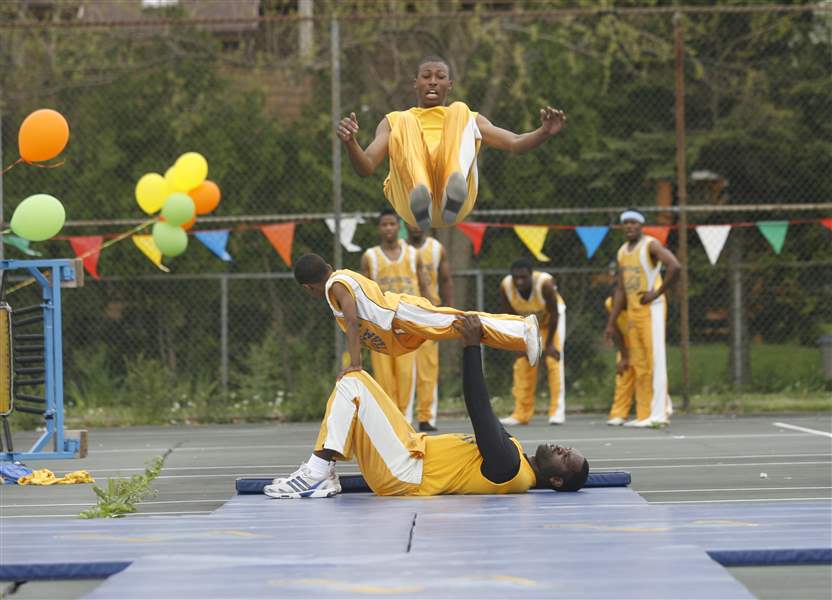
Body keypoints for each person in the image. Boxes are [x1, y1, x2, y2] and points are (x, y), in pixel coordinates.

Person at [265, 315, 589, 499]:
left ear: (556, 481)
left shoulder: (511, 469)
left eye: (565, 458)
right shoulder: (515, 451)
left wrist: (472, 347)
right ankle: (325, 472)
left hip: (405, 471)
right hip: (409, 449)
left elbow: (479, 407)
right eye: (567, 448)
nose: (562, 448)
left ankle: (318, 472)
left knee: (353, 384)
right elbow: (488, 415)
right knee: (356, 378)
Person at [335, 55, 567, 232]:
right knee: (405, 118)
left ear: (450, 84)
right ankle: (420, 190)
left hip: (455, 204)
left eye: (440, 77)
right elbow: (366, 167)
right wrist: (351, 143)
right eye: (426, 77)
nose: (433, 82)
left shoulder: (468, 119)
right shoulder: (393, 121)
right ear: (415, 83)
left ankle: (452, 188)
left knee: (459, 109)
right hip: (410, 202)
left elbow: (515, 143)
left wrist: (543, 132)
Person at [293, 253, 541, 380]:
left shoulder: (336, 285)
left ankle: (523, 329)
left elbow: (351, 322)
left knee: (459, 322)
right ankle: (519, 337)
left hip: (402, 313)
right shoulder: (339, 279)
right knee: (461, 329)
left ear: (308, 287)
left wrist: (355, 363)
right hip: (399, 324)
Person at [604, 210, 680, 427]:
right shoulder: (622, 252)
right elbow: (620, 288)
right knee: (640, 363)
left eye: (633, 222)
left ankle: (660, 413)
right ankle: (645, 413)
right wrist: (611, 322)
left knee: (655, 361)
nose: (629, 226)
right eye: (625, 223)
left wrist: (657, 292)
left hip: (651, 309)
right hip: (634, 312)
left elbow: (675, 266)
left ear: (641, 225)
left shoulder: (651, 245)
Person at [361, 208, 423, 424]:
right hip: (381, 324)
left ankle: (404, 421)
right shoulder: (370, 256)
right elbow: (364, 291)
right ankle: (390, 422)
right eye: (384, 224)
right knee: (385, 378)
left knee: (406, 376)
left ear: (399, 227)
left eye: (392, 224)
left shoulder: (414, 254)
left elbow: (423, 286)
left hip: (407, 324)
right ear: (379, 228)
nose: (388, 228)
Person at [498, 259, 567, 426]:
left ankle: (557, 412)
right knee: (523, 363)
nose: (519, 281)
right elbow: (511, 317)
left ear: (531, 275)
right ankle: (521, 414)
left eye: (523, 277)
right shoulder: (506, 286)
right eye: (516, 278)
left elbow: (555, 314)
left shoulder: (545, 284)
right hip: (528, 325)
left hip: (551, 322)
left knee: (553, 361)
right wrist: (519, 342)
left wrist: (549, 344)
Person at [406, 223, 454, 432]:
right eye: (411, 221)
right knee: (404, 372)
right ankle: (402, 417)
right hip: (404, 313)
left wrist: (448, 311)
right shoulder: (399, 250)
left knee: (428, 369)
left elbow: (445, 280)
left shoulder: (436, 248)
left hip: (428, 314)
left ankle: (426, 417)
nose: (415, 226)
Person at [604, 295, 636, 426]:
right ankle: (619, 414)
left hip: (644, 343)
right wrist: (624, 356)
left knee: (647, 376)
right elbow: (615, 330)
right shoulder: (609, 303)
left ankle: (660, 407)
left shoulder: (638, 303)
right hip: (627, 342)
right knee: (623, 375)